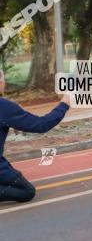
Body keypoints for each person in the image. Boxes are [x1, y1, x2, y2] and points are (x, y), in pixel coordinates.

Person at [0, 68, 70, 203]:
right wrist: (65, 104)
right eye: (3, 79)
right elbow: (41, 125)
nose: (5, 83)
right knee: (26, 191)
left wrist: (10, 119)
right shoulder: (5, 107)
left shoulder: (6, 108)